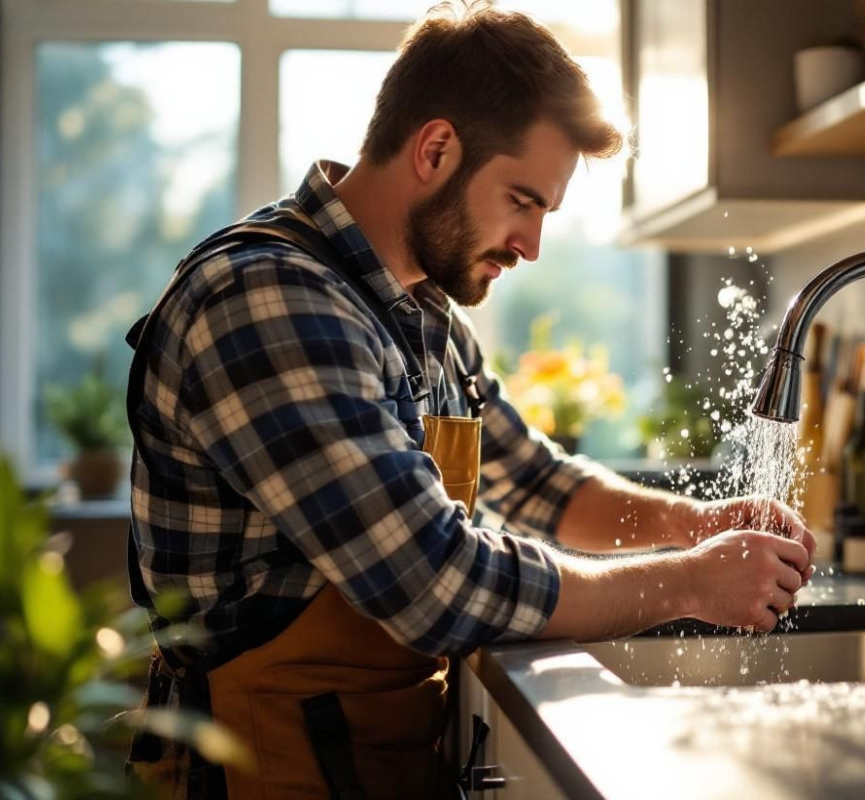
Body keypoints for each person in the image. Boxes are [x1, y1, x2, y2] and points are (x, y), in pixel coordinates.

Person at [124, 3, 815, 797]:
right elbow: (434, 583)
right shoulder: (271, 301)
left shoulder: (423, 315)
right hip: (255, 768)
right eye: (522, 201)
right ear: (437, 148)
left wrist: (695, 525)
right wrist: (689, 581)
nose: (531, 245)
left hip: (363, 756)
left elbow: (537, 484)